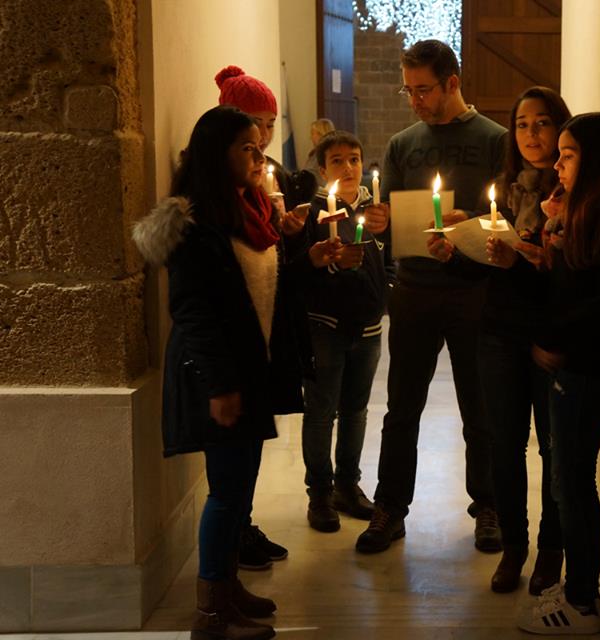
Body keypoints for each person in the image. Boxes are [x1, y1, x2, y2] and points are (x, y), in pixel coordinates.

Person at [132, 105, 313, 640]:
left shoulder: (248, 210)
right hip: (221, 377)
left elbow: (260, 288)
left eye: (261, 149)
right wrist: (222, 386)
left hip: (248, 371)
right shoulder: (196, 221)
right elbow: (194, 313)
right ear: (219, 153)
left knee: (241, 488)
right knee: (226, 492)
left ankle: (227, 589)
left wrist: (305, 251)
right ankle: (210, 615)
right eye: (248, 149)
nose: (260, 159)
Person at [354, 39, 507, 554]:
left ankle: (488, 506)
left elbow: (508, 220)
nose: (414, 100)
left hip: (474, 292)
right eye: (408, 89)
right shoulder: (402, 145)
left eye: (424, 90)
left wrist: (472, 224)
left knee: (478, 407)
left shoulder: (495, 141)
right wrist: (378, 225)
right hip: (415, 289)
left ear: (452, 84)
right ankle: (390, 508)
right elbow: (391, 221)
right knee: (402, 408)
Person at [431, 87, 571, 593]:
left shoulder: (574, 189)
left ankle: (552, 553)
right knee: (504, 446)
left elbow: (572, 279)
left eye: (541, 123)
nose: (531, 135)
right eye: (522, 124)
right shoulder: (506, 187)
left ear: (560, 127)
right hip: (499, 334)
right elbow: (492, 272)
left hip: (551, 337)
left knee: (554, 451)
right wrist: (459, 253)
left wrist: (522, 264)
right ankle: (515, 547)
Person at [515, 112, 600, 635]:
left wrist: (553, 339)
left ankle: (581, 604)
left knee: (571, 480)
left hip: (590, 365)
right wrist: (553, 238)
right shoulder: (594, 210)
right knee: (568, 477)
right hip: (587, 360)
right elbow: (581, 280)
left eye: (568, 155)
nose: (557, 163)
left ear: (595, 160)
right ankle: (580, 588)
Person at [214, 64, 317, 570]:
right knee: (227, 476)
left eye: (270, 125)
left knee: (247, 460)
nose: (265, 137)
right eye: (253, 125)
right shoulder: (212, 201)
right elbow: (208, 297)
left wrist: (288, 232)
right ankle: (220, 579)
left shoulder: (258, 187)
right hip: (231, 356)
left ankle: (243, 532)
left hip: (260, 348)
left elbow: (270, 271)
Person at [286, 130, 388, 533]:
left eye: (355, 159)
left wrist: (387, 289)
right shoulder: (312, 213)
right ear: (322, 168)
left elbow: (389, 257)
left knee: (356, 411)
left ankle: (348, 484)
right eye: (338, 161)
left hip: (368, 326)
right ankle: (320, 494)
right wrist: (331, 265)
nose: (349, 168)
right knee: (321, 411)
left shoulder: (376, 209)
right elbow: (302, 271)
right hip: (326, 327)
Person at [217, 65, 317, 214]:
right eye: (256, 123)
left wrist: (294, 231)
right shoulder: (220, 178)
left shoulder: (274, 172)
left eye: (270, 125)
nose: (264, 135)